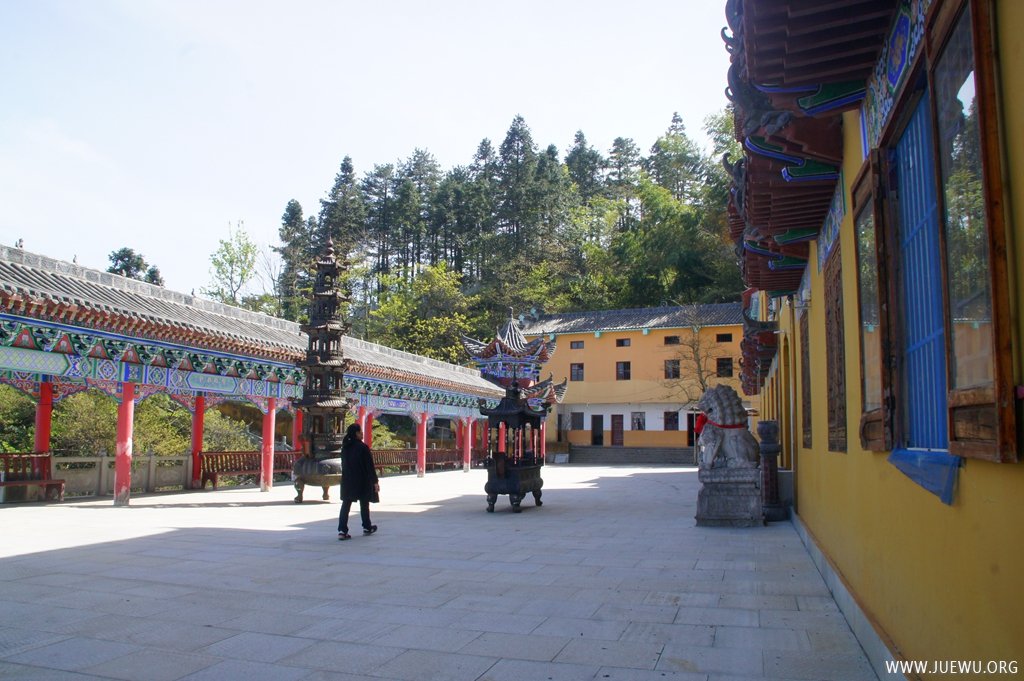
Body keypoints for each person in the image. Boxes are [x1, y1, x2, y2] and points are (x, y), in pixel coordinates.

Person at [338, 423, 379, 540]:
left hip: (347, 480)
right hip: (362, 480)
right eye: (360, 431)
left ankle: (342, 530)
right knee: (364, 504)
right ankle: (367, 527)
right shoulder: (363, 448)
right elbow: (370, 467)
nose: (362, 433)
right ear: (356, 434)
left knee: (346, 505)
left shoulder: (345, 448)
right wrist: (375, 482)